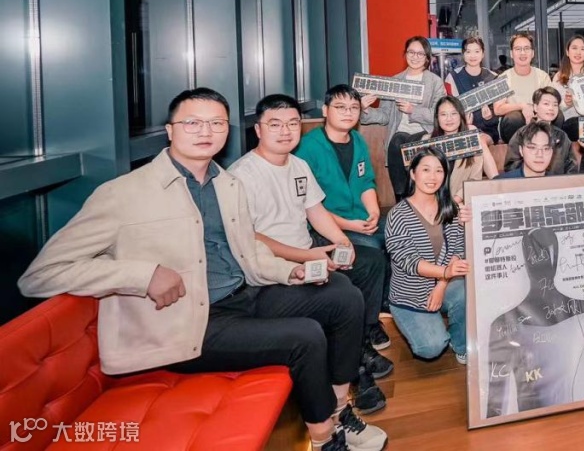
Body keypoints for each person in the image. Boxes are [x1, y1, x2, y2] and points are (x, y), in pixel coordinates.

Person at [18, 88, 387, 451]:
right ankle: (324, 438)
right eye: (193, 123)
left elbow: (249, 252)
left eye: (217, 123)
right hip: (189, 322)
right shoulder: (123, 193)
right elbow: (42, 274)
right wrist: (143, 275)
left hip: (244, 295)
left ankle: (339, 407)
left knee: (342, 295)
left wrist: (290, 272)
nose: (206, 131)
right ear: (170, 130)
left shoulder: (227, 185)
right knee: (305, 336)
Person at [229, 93, 388, 413]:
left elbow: (315, 211)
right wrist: (307, 256)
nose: (285, 131)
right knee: (343, 295)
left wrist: (341, 241)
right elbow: (250, 237)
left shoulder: (298, 165)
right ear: (258, 129)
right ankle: (352, 373)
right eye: (275, 124)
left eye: (292, 124)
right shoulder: (241, 175)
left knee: (370, 261)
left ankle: (361, 341)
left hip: (307, 251)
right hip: (271, 270)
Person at [296, 85, 394, 359]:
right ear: (325, 110)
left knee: (397, 234)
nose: (348, 113)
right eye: (340, 107)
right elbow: (309, 205)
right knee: (372, 250)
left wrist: (373, 212)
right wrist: (349, 225)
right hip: (328, 225)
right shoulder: (308, 148)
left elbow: (366, 182)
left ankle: (387, 302)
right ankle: (369, 323)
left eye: (354, 108)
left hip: (359, 217)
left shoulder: (358, 141)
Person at [485, 226, 584, 418]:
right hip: (537, 427)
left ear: (557, 258)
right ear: (526, 261)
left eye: (545, 253)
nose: (540, 260)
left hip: (578, 423)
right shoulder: (503, 324)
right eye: (535, 254)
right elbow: (495, 406)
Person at [384, 149, 469, 363]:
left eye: (439, 170)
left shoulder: (450, 208)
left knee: (467, 291)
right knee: (431, 347)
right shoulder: (398, 214)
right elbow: (409, 261)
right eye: (426, 170)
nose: (433, 177)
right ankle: (429, 325)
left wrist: (441, 284)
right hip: (410, 294)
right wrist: (445, 272)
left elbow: (457, 249)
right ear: (413, 173)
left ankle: (461, 344)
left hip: (443, 283)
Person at [359, 36, 447, 201]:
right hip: (400, 133)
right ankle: (401, 199)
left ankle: (414, 198)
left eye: (420, 54)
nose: (415, 57)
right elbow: (385, 115)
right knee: (397, 141)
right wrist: (363, 109)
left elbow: (439, 114)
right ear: (405, 54)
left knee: (405, 143)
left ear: (427, 58)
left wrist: (413, 110)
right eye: (411, 52)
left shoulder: (435, 82)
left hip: (425, 131)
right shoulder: (394, 81)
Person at [423, 96, 500, 203]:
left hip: (459, 203)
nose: (449, 119)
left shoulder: (472, 141)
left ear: (461, 115)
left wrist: (455, 201)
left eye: (454, 113)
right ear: (437, 118)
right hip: (432, 202)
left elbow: (474, 178)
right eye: (443, 114)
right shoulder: (426, 141)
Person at [493, 32, 554, 142]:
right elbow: (498, 109)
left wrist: (534, 111)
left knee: (557, 116)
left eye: (526, 48)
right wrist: (522, 106)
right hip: (513, 124)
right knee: (514, 118)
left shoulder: (542, 76)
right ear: (511, 53)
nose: (522, 53)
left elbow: (551, 103)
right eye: (518, 49)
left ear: (532, 53)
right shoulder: (503, 78)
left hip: (538, 118)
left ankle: (548, 146)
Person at [504, 88, 578, 176]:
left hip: (557, 183)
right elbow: (511, 165)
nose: (551, 108)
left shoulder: (562, 136)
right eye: (546, 104)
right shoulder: (522, 133)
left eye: (555, 105)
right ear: (535, 107)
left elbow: (571, 168)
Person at [446, 35, 500, 143]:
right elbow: (449, 109)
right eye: (468, 51)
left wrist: (490, 117)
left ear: (483, 54)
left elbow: (499, 112)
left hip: (487, 131)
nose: (473, 55)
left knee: (479, 141)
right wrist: (463, 121)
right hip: (460, 129)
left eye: (477, 51)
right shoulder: (452, 77)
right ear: (463, 54)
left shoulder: (493, 77)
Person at [551, 34, 584, 141]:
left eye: (582, 49)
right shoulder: (559, 77)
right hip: (570, 121)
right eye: (574, 48)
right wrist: (567, 103)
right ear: (567, 52)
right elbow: (553, 107)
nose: (578, 52)